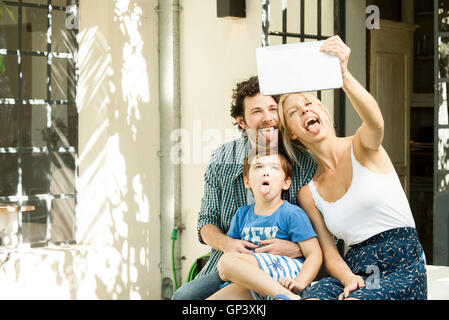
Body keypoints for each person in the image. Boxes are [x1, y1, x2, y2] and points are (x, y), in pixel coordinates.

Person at [277, 35, 427, 300]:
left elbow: (376, 122)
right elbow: (331, 255)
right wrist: (350, 280)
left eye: (308, 104)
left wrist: (343, 75)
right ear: (292, 134)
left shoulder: (362, 146)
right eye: (293, 112)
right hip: (355, 266)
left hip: (402, 260)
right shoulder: (308, 193)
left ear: (322, 111)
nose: (303, 111)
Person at [171, 76, 317, 300]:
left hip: (288, 267)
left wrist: (296, 249)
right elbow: (206, 223)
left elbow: (326, 235)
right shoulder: (222, 159)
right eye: (257, 111)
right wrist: (230, 245)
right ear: (242, 121)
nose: (268, 118)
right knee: (184, 297)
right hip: (237, 263)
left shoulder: (304, 162)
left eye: (272, 109)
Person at [206, 151, 322, 300]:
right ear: (247, 182)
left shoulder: (291, 213)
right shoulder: (241, 215)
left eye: (274, 167)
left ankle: (288, 296)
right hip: (256, 280)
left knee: (225, 263)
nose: (265, 172)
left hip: (285, 274)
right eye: (258, 167)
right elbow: (232, 251)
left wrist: (300, 282)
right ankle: (280, 295)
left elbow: (314, 254)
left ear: (286, 182)